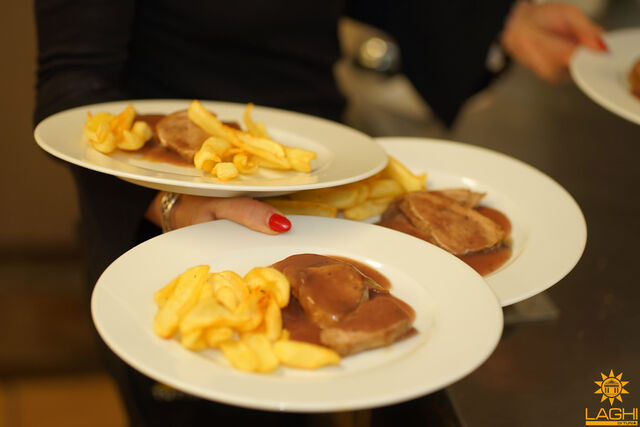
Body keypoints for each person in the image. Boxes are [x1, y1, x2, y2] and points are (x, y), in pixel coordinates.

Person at [33, 1, 606, 425]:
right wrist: (170, 200)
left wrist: (499, 18)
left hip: (319, 172)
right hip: (161, 212)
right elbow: (73, 83)